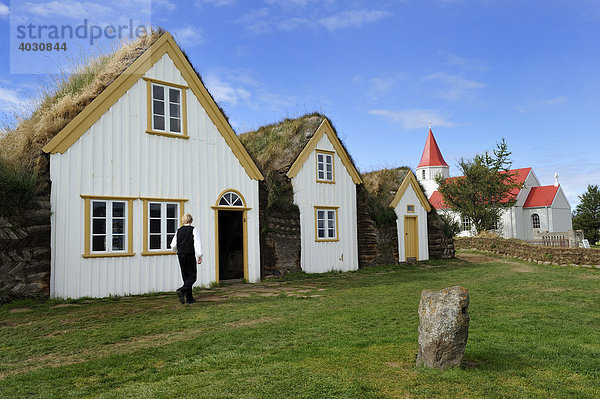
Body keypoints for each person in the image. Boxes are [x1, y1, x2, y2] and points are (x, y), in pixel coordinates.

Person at [170, 214, 203, 304]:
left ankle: (189, 298)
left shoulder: (178, 230)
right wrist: (199, 255)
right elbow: (197, 243)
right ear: (191, 220)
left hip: (180, 255)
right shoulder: (193, 229)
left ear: (183, 221)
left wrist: (179, 251)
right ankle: (182, 290)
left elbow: (173, 246)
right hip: (189, 254)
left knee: (185, 277)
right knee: (192, 277)